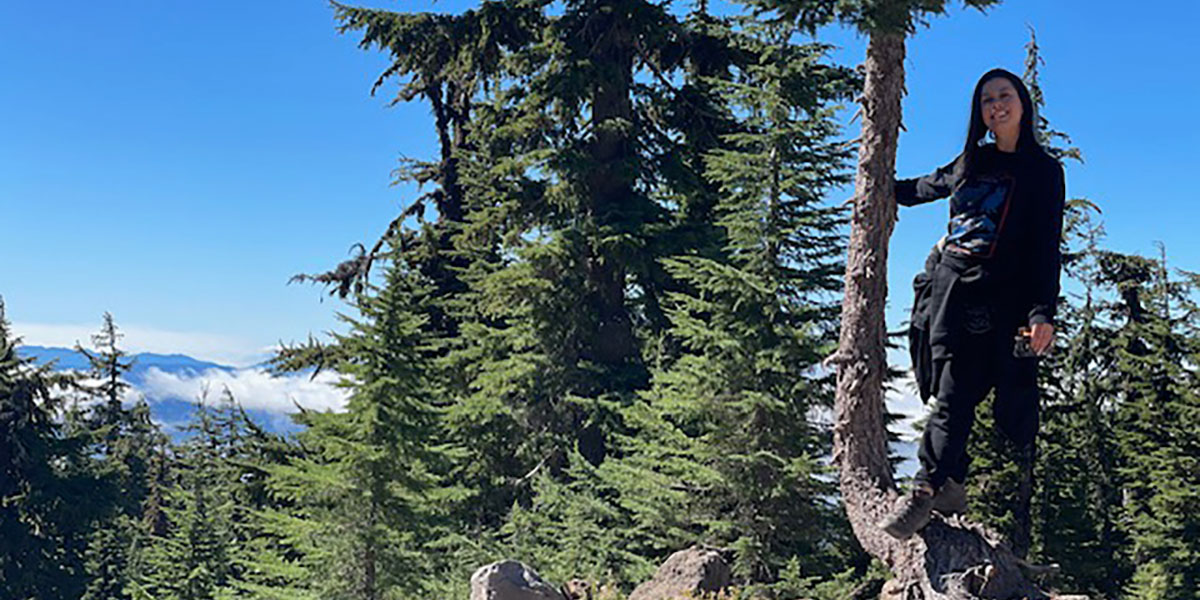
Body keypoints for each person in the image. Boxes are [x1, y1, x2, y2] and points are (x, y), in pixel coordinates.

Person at [878, 68, 1066, 541]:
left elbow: (1046, 245)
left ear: (1023, 104)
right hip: (953, 293)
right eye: (987, 100)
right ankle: (936, 487)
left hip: (1005, 302)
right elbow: (926, 187)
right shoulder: (971, 162)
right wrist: (877, 184)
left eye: (1004, 96)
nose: (996, 105)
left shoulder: (1044, 171)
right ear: (979, 114)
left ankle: (939, 486)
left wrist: (1043, 312)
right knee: (951, 392)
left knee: (996, 399)